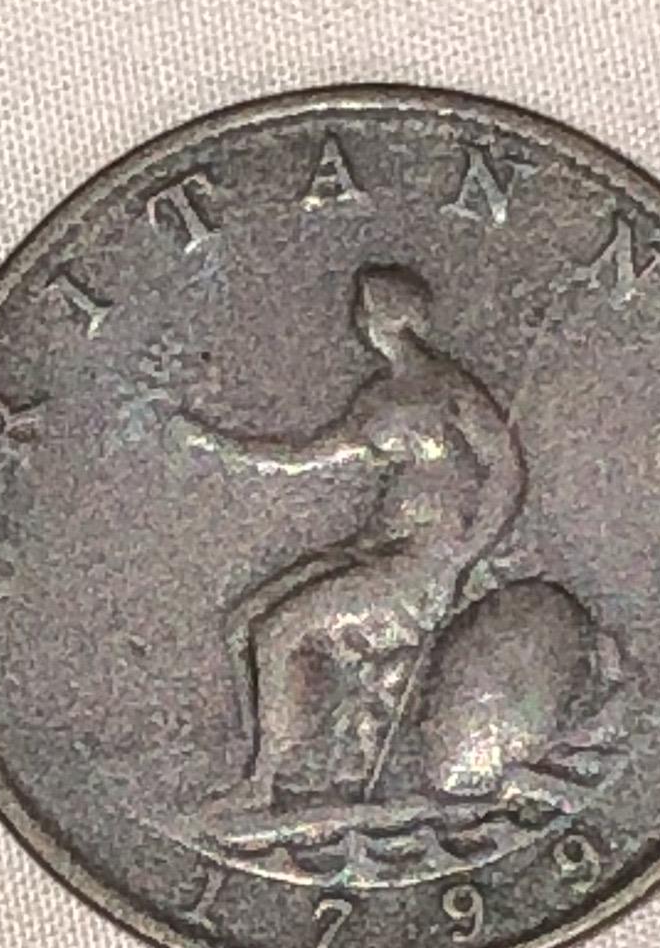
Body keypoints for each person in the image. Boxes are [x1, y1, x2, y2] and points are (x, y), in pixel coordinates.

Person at [169, 266, 524, 811]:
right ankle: (289, 764)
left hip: (423, 560)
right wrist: (214, 443)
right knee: (243, 625)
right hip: (372, 549)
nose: (362, 317)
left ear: (386, 314)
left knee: (277, 632)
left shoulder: (450, 389)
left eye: (368, 305)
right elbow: (301, 456)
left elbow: (505, 471)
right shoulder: (376, 399)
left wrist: (465, 555)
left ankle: (263, 786)